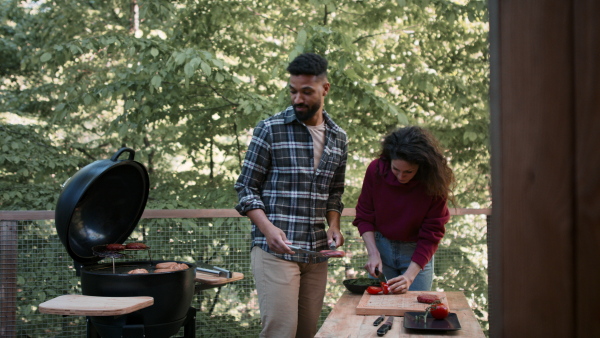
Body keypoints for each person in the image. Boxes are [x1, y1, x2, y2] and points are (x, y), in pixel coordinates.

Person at [234, 52, 347, 338]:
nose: (297, 99)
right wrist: (268, 229)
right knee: (280, 333)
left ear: (325, 89)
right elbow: (246, 188)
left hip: (316, 254)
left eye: (306, 92)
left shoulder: (339, 137)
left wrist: (334, 225)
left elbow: (335, 192)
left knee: (306, 333)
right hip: (275, 251)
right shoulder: (270, 129)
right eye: (293, 91)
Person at [352, 126, 454, 294]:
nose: (400, 177)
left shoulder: (434, 183)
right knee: (379, 310)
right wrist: (373, 253)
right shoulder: (375, 170)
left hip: (417, 253)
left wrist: (410, 276)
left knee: (415, 311)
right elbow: (364, 216)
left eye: (408, 172)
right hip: (381, 248)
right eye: (395, 170)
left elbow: (432, 232)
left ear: (421, 166)